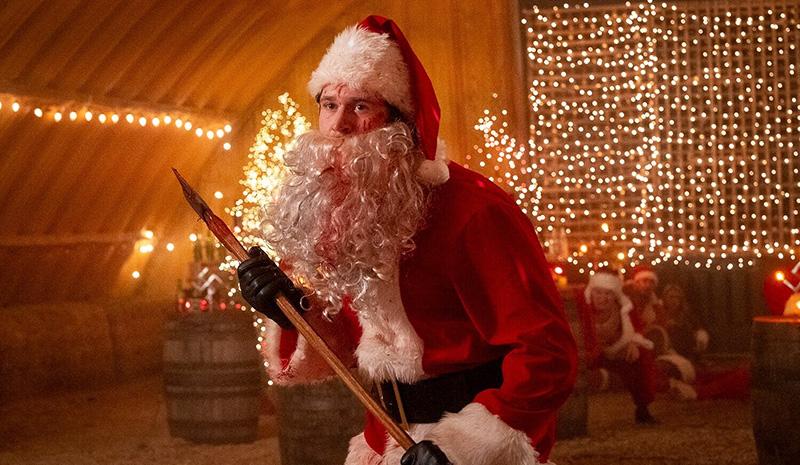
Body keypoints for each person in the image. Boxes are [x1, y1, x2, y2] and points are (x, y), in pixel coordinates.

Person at [236, 15, 578, 465]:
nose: (338, 124)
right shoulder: (350, 210)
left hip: (467, 447)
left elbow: (546, 352)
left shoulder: (474, 210)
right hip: (383, 440)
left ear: (400, 122)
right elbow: (354, 342)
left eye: (360, 106)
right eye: (329, 104)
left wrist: (462, 449)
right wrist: (289, 311)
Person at [577, 269, 659, 424]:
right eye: (598, 293)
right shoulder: (582, 306)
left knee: (641, 356)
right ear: (591, 292)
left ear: (615, 295)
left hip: (615, 352)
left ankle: (643, 408)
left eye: (608, 294)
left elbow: (637, 327)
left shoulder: (625, 308)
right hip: (589, 353)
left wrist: (634, 342)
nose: (602, 298)